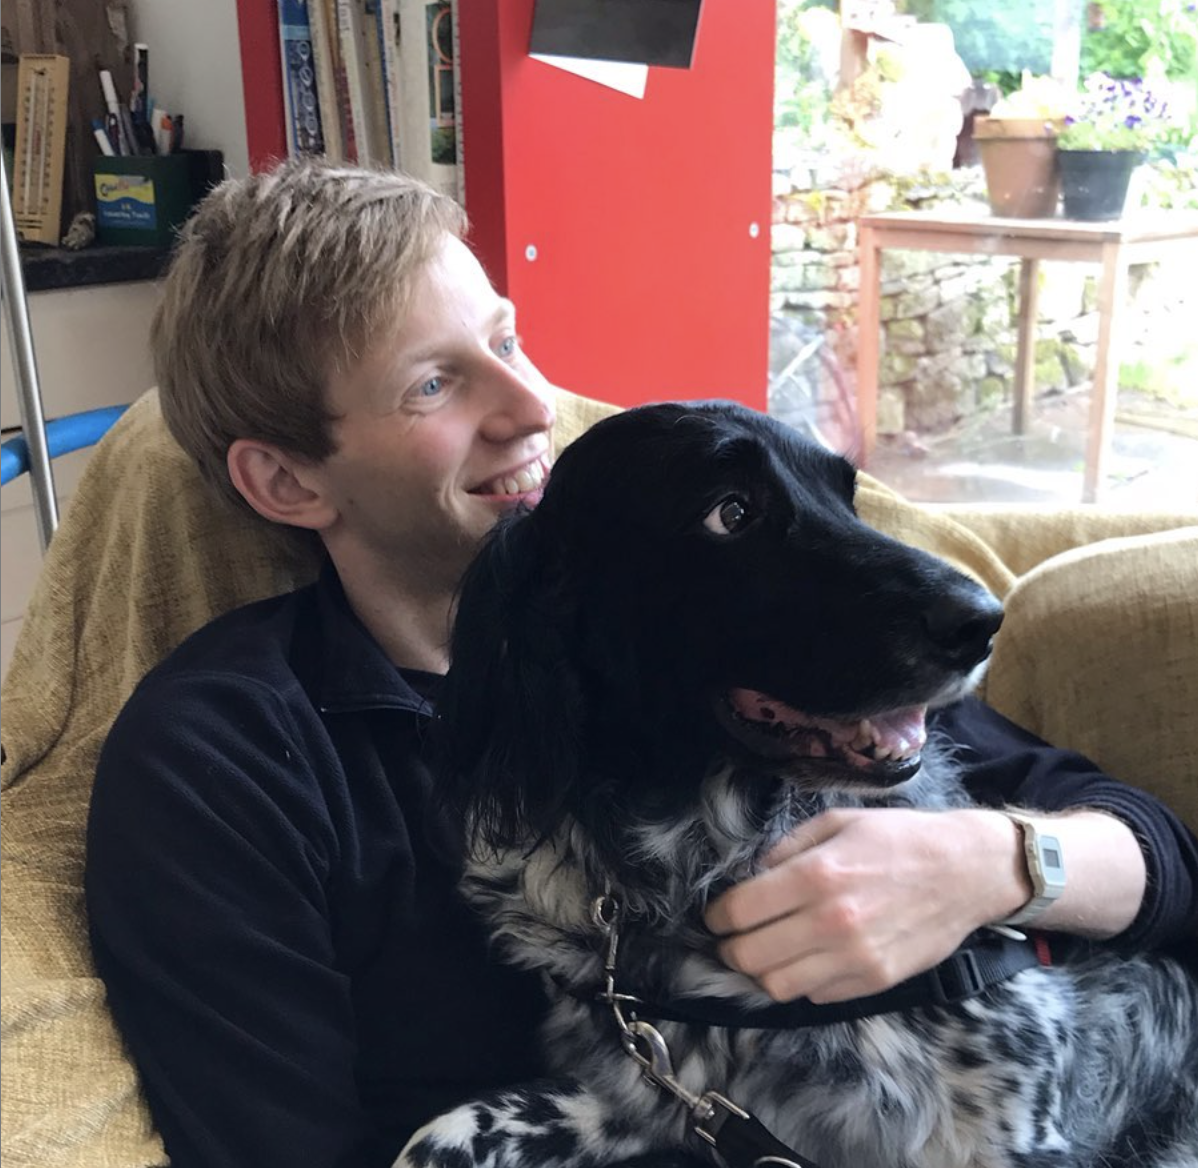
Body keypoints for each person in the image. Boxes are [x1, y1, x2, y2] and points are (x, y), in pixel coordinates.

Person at [84, 159, 1198, 1168]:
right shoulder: (226, 757)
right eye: (433, 383)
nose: (531, 407)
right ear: (286, 484)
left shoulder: (710, 631)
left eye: (508, 341)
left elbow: (1158, 864)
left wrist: (991, 864)